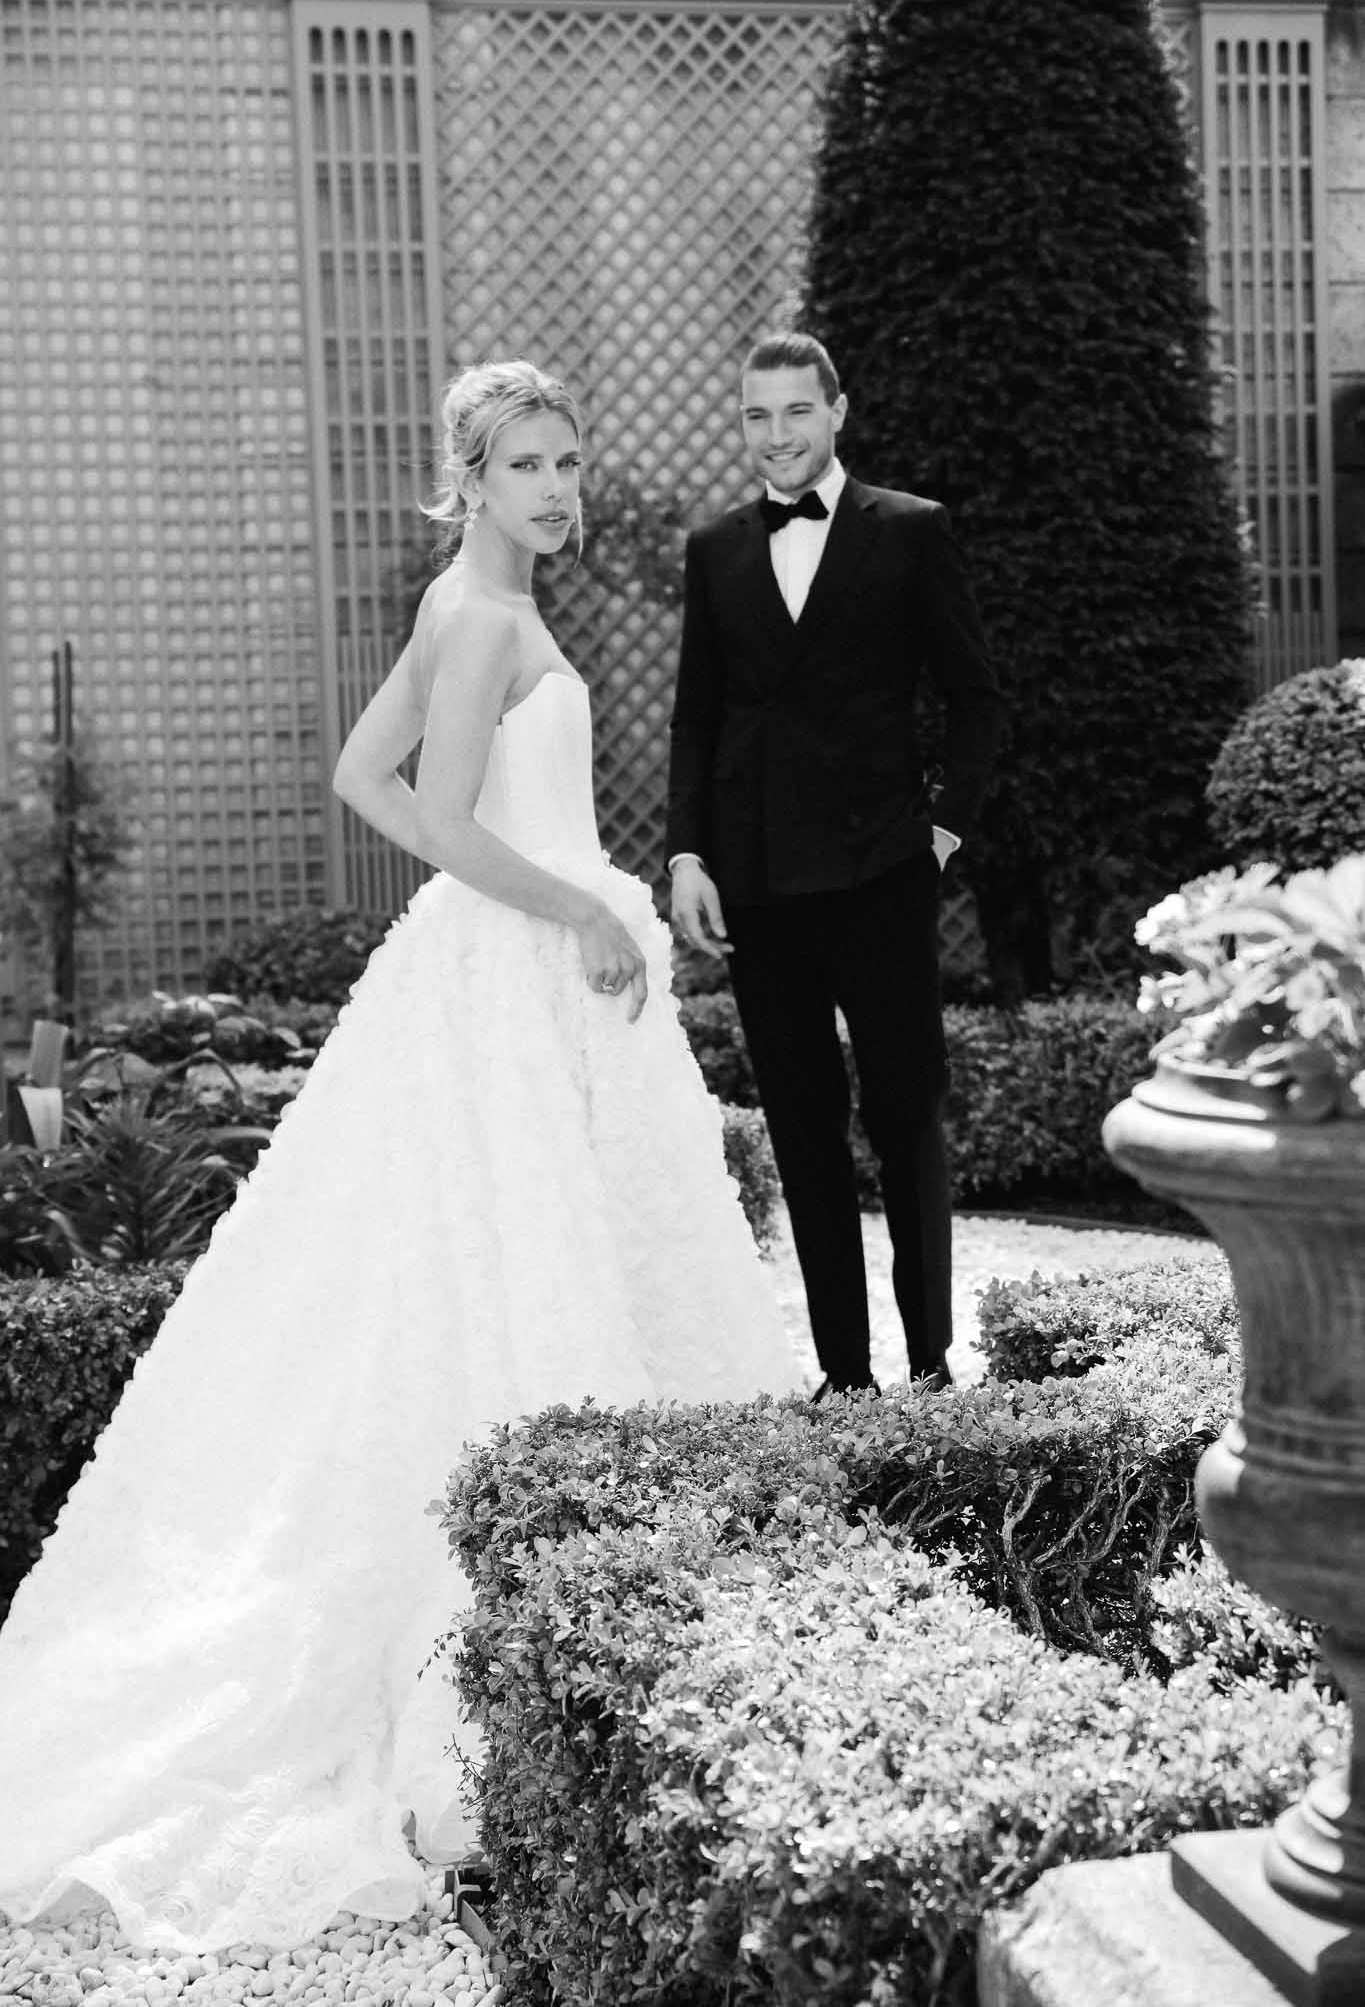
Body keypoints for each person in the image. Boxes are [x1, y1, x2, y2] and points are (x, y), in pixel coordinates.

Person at [0, 360, 801, 1954]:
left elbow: (363, 782)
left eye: (572, 460)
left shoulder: (465, 608)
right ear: (472, 478)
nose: (559, 490)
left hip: (512, 974)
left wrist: (567, 896)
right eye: (526, 466)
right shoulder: (485, 619)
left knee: (520, 1264)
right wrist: (578, 901)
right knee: (514, 1277)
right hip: (524, 967)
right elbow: (433, 810)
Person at [667, 331, 1004, 1399]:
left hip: (881, 875)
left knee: (907, 1114)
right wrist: (685, 852)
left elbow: (980, 700)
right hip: (760, 888)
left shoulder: (910, 533)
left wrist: (941, 834)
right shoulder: (715, 547)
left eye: (795, 411)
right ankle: (845, 1373)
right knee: (804, 1127)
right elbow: (697, 719)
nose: (777, 434)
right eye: (756, 415)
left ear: (837, 411)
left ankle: (932, 1359)